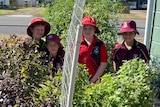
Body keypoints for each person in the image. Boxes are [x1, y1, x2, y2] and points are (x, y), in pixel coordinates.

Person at [79, 16, 108, 83]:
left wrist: (92, 81)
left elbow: (103, 64)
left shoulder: (100, 44)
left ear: (94, 29)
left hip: (95, 80)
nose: (87, 31)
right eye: (85, 28)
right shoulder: (77, 43)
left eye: (90, 28)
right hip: (79, 79)